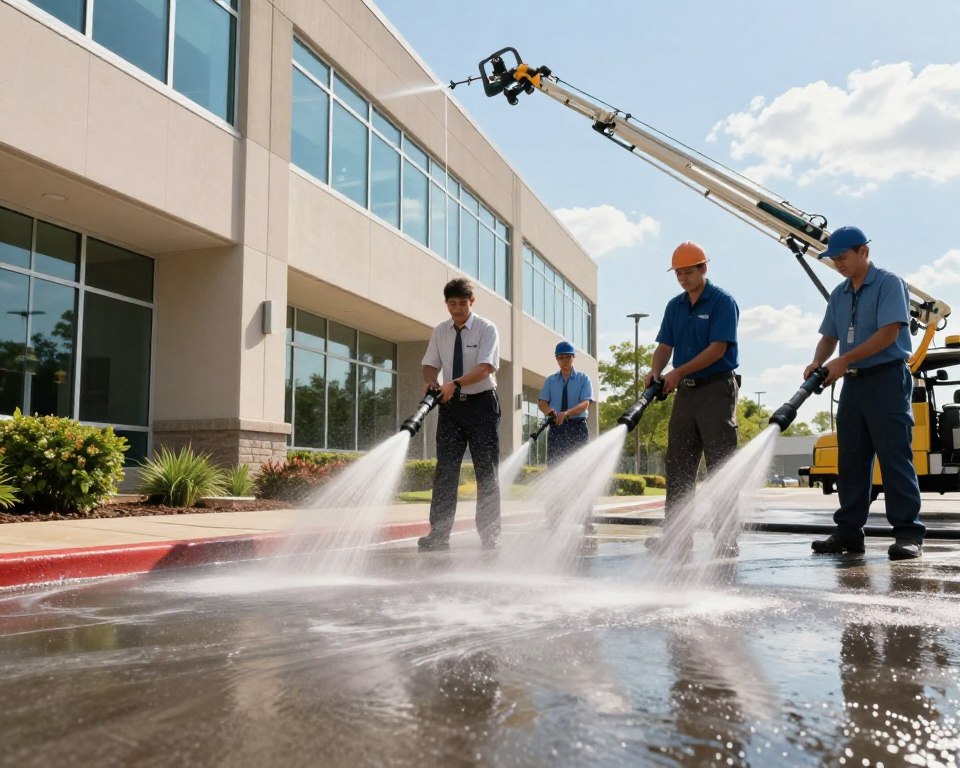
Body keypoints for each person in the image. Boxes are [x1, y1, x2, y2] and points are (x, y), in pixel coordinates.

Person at [804, 226, 924, 560]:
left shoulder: (889, 284)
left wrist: (843, 360)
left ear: (863, 252)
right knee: (852, 462)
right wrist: (818, 361)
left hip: (886, 380)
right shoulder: (840, 294)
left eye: (842, 257)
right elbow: (829, 336)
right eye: (833, 260)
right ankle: (848, 534)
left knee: (894, 457)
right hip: (853, 385)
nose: (838, 264)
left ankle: (908, 534)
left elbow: (889, 334)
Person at [643, 241, 740, 558]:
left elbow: (717, 349)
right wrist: (656, 371)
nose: (683, 278)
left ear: (703, 269)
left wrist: (676, 372)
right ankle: (676, 537)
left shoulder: (722, 302)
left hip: (716, 389)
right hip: (686, 392)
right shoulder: (675, 306)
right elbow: (664, 346)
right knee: (679, 465)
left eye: (689, 271)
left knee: (720, 465)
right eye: (679, 273)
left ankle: (725, 538)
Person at [418, 278, 502, 551]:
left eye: (462, 303)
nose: (456, 309)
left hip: (482, 406)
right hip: (451, 408)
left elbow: (485, 368)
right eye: (451, 304)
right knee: (445, 471)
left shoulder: (486, 329)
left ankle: (490, 535)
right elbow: (430, 365)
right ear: (446, 304)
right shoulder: (440, 331)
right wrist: (432, 381)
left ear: (471, 302)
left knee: (485, 471)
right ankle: (439, 534)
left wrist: (454, 383)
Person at [537, 340, 594, 465]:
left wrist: (567, 414)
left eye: (567, 357)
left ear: (573, 357)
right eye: (560, 357)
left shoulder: (584, 379)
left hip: (577, 427)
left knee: (580, 466)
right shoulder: (550, 381)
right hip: (556, 428)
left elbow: (585, 403)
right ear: (557, 359)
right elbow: (542, 402)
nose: (564, 360)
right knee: (554, 465)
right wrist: (548, 410)